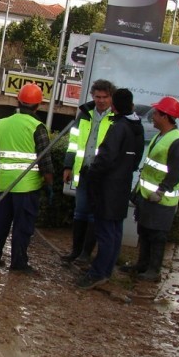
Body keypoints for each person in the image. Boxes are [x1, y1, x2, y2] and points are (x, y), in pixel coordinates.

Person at [77, 88, 144, 289]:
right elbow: (135, 159)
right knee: (114, 231)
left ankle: (98, 273)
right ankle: (105, 269)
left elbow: (105, 157)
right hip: (122, 185)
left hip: (107, 187)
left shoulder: (119, 128)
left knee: (105, 231)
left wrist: (92, 174)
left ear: (114, 106)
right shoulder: (137, 127)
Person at [0, 83, 54, 273]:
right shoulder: (38, 127)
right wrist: (49, 184)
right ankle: (19, 264)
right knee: (23, 227)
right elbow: (45, 161)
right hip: (28, 187)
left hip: (5, 184)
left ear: (18, 101)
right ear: (38, 105)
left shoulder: (1, 124)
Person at [120, 96, 179, 282]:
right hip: (148, 196)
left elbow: (175, 173)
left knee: (157, 236)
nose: (153, 117)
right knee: (144, 231)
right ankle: (142, 265)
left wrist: (160, 191)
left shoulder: (177, 142)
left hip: (161, 200)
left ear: (165, 117)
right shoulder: (162, 136)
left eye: (157, 114)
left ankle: (153, 270)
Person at [61, 79, 116, 264]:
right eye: (97, 97)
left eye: (105, 97)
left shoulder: (116, 118)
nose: (101, 101)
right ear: (93, 96)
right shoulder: (84, 115)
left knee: (94, 214)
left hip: (101, 176)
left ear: (111, 97)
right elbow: (73, 142)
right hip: (83, 172)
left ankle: (86, 253)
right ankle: (75, 251)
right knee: (80, 212)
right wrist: (68, 166)